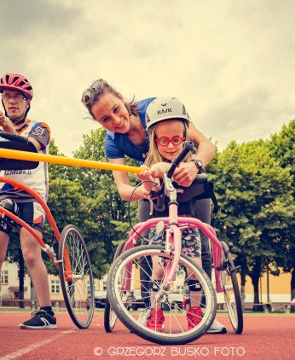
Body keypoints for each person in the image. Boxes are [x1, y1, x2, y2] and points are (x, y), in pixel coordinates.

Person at [81, 79, 226, 333]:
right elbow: (124, 190)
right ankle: (152, 307)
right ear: (99, 123)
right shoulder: (113, 142)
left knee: (202, 242)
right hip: (156, 188)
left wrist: (194, 166)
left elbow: (207, 145)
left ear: (122, 97)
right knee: (144, 239)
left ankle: (202, 311)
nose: (115, 120)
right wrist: (146, 189)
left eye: (116, 109)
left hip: (190, 184)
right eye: (105, 119)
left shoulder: (158, 110)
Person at [0, 73, 56, 330]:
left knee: (31, 253)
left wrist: (8, 129)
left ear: (27, 102)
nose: (12, 102)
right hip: (3, 195)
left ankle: (46, 314)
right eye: (7, 97)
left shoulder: (39, 127)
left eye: (18, 97)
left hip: (31, 197)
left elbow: (30, 149)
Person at [136, 97, 206, 332]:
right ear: (155, 142)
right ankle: (155, 312)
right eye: (163, 141)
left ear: (185, 139)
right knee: (158, 268)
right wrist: (147, 180)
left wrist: (168, 169)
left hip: (187, 223)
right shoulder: (151, 164)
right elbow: (147, 190)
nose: (171, 146)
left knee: (194, 266)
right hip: (160, 225)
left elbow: (180, 174)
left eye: (177, 140)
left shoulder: (190, 166)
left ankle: (194, 310)